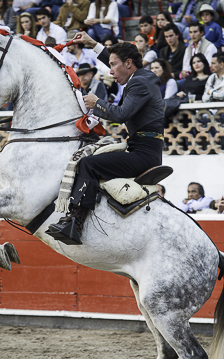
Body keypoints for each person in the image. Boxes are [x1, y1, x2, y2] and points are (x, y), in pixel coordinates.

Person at [47, 31, 165, 245]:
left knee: (88, 165)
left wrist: (97, 102)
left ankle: (75, 223)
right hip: (144, 148)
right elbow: (115, 60)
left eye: (113, 65)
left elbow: (120, 115)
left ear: (129, 64)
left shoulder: (139, 83)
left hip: (143, 154)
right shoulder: (140, 77)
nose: (110, 71)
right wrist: (93, 44)